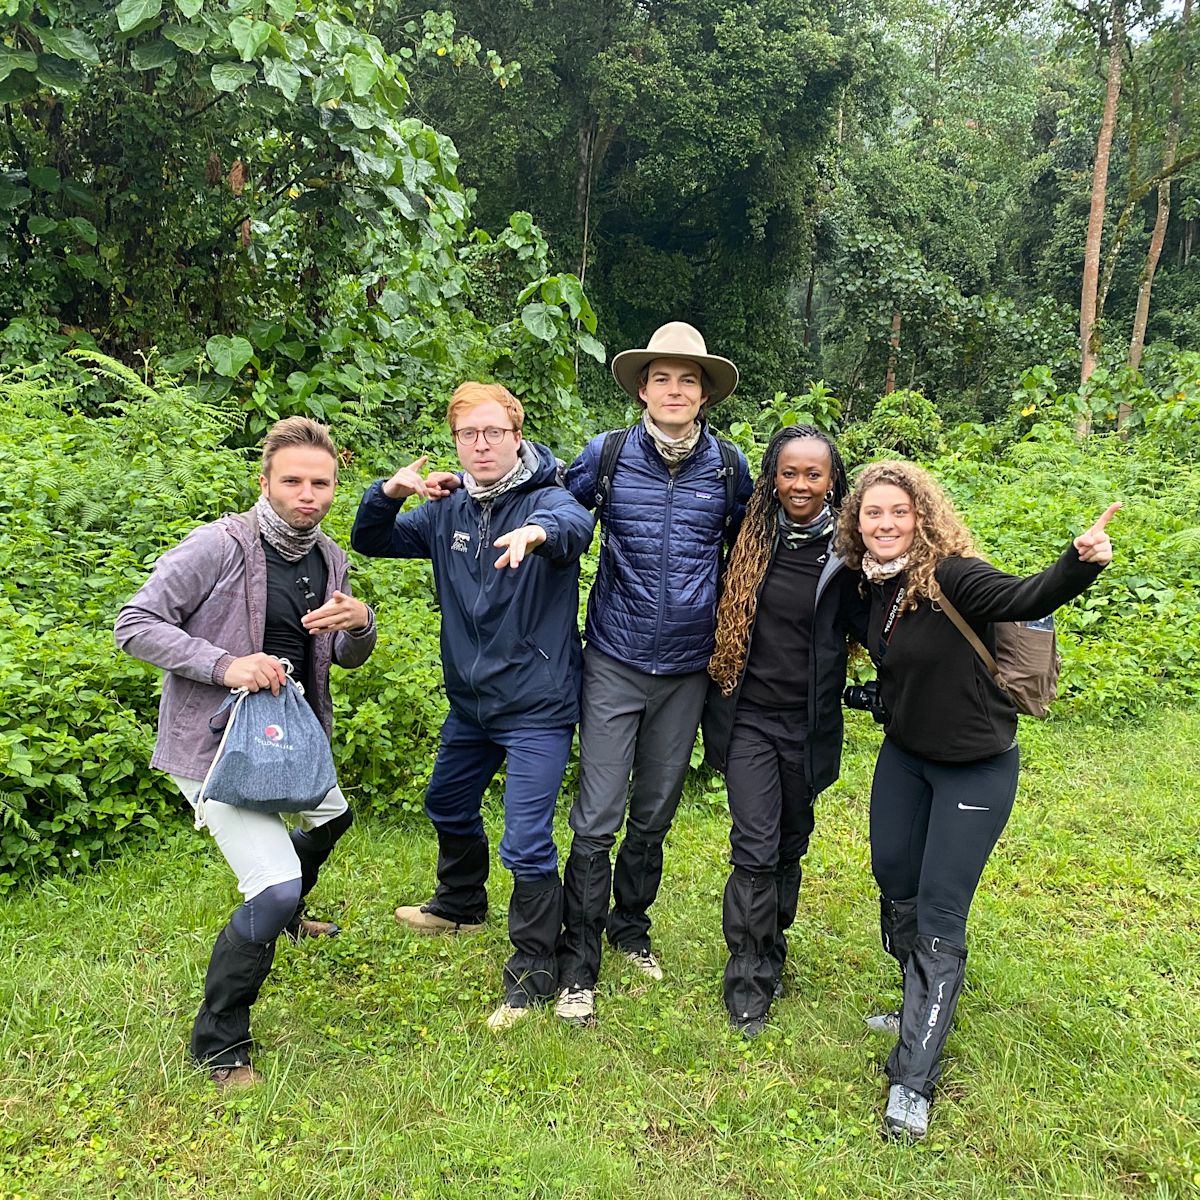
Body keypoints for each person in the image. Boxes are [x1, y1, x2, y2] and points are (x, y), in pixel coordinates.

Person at [834, 460, 1117, 1140]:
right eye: (874, 513)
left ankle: (913, 1080)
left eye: (899, 512)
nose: (886, 524)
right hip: (905, 760)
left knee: (938, 911)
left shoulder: (953, 575)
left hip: (974, 769)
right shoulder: (871, 587)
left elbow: (1024, 596)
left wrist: (1078, 563)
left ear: (922, 518)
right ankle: (915, 1000)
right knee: (893, 876)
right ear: (857, 523)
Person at [114, 416, 377, 1089]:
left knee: (333, 817)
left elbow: (342, 657)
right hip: (214, 749)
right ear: (265, 481)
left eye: (321, 483)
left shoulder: (329, 558)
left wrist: (361, 625)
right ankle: (219, 1045)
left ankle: (284, 923)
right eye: (292, 480)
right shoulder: (218, 546)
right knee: (273, 884)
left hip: (286, 741)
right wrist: (225, 664)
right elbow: (135, 624)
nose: (307, 494)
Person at [350, 382, 593, 1030]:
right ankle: (460, 905)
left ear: (516, 434)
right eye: (467, 435)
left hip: (537, 704)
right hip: (472, 704)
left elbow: (576, 527)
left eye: (492, 432)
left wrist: (536, 533)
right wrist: (390, 493)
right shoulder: (445, 510)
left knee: (527, 841)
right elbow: (371, 538)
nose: (480, 445)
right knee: (447, 802)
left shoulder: (549, 496)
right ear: (455, 442)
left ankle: (534, 971)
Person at [555, 321, 753, 1027]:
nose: (675, 389)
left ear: (705, 394)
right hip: (613, 657)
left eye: (689, 379)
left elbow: (751, 552)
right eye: (662, 377)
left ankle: (628, 930)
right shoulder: (605, 456)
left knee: (655, 811)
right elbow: (554, 512)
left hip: (690, 669)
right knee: (598, 814)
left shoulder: (729, 469)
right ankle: (577, 965)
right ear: (643, 388)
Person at [703, 425, 865, 1037]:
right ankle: (747, 975)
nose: (800, 485)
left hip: (809, 725)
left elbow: (886, 619)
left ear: (832, 482)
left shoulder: (851, 557)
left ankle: (772, 945)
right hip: (748, 719)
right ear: (772, 475)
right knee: (754, 847)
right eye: (789, 472)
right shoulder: (745, 538)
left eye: (813, 474)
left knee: (790, 845)